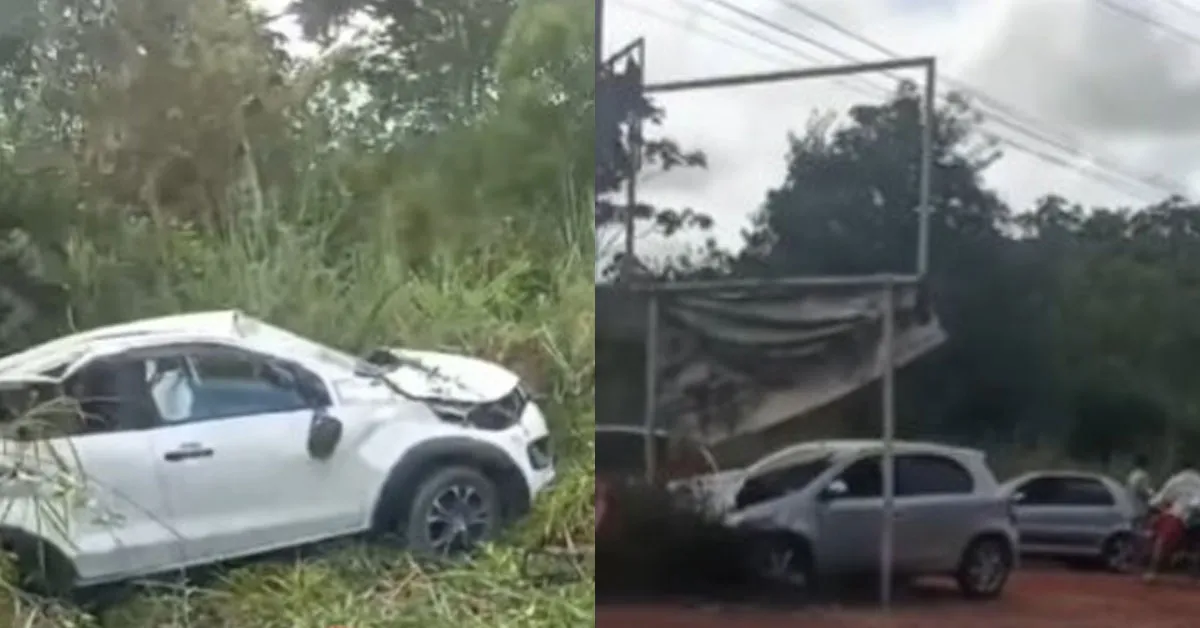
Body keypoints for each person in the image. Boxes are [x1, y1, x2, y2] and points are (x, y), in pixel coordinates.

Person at [1144, 461, 1200, 582]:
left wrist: (1154, 505)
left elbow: (1160, 499)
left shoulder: (1177, 480)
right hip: (1195, 517)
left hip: (1178, 516)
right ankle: (1194, 571)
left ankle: (1152, 571)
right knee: (1196, 546)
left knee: (1161, 542)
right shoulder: (1198, 480)